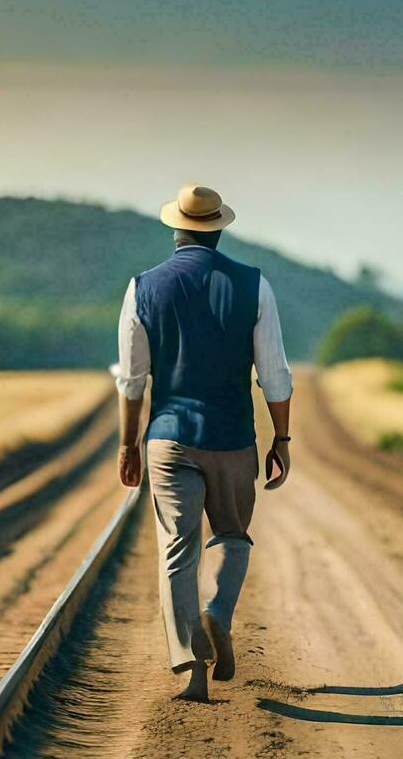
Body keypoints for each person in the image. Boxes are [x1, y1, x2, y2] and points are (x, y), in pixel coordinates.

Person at [116, 184, 293, 702]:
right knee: (235, 536)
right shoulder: (254, 286)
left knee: (177, 549)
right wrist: (281, 437)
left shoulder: (142, 287)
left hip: (169, 437)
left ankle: (191, 666)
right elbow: (275, 375)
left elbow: (132, 380)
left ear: (176, 230)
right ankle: (218, 613)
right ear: (219, 229)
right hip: (233, 436)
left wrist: (129, 444)